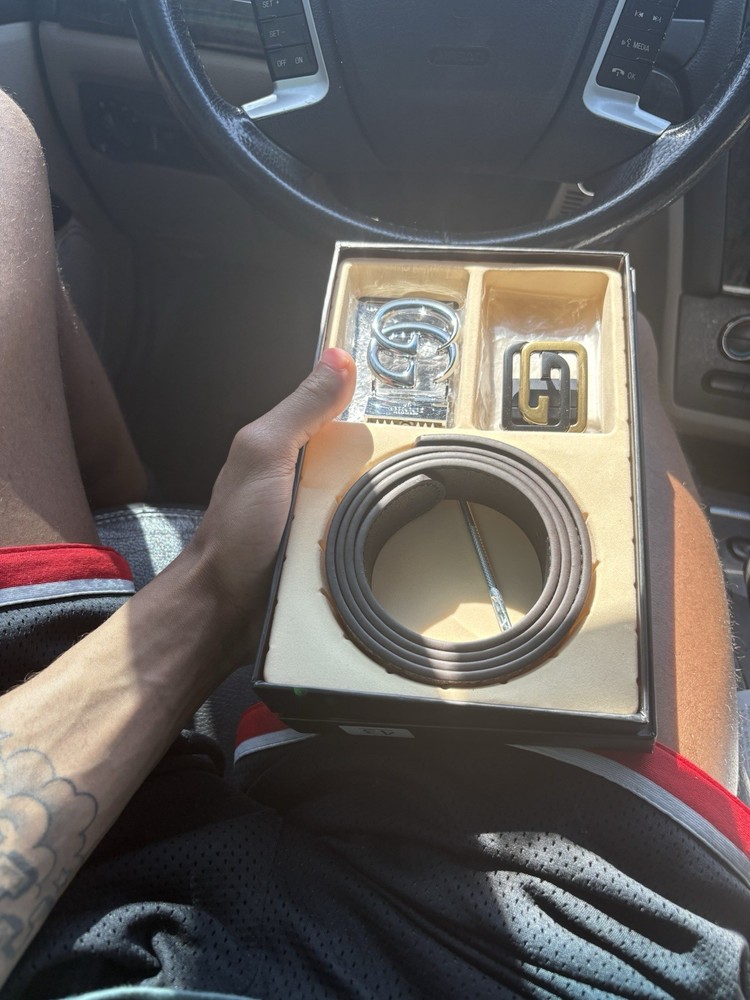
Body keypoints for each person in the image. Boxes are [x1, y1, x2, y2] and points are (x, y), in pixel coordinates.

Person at [0, 87, 748, 1000]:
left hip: (76, 884)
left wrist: (208, 599)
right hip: (516, 955)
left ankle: (115, 490)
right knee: (620, 334)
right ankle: (117, 485)